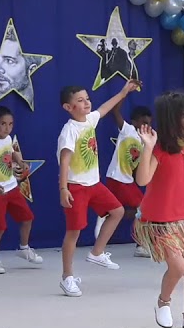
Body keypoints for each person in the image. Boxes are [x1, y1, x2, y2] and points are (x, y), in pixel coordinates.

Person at [133, 92, 184, 328]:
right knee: (177, 266)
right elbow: (143, 179)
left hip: (183, 218)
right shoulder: (160, 149)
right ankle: (163, 302)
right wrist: (147, 148)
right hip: (159, 220)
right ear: (171, 120)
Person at [57, 80, 140, 296]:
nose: (86, 103)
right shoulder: (69, 130)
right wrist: (63, 189)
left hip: (94, 185)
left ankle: (97, 252)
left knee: (118, 211)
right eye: (80, 101)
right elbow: (64, 161)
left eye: (87, 99)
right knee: (73, 233)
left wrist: (123, 92)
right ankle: (67, 277)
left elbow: (104, 108)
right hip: (76, 188)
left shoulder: (90, 120)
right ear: (68, 107)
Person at [0, 105, 43, 274]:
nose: (7, 128)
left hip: (12, 187)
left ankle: (24, 248)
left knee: (27, 217)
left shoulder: (7, 139)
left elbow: (13, 151)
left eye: (10, 124)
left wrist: (20, 161)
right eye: (3, 124)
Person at [102, 104, 153, 257]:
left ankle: (108, 216)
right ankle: (141, 245)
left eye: (149, 123)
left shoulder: (145, 142)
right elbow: (115, 110)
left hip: (127, 180)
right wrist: (124, 93)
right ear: (134, 121)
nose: (146, 126)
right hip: (117, 177)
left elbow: (137, 167)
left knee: (128, 211)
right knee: (143, 208)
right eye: (143, 122)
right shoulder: (127, 130)